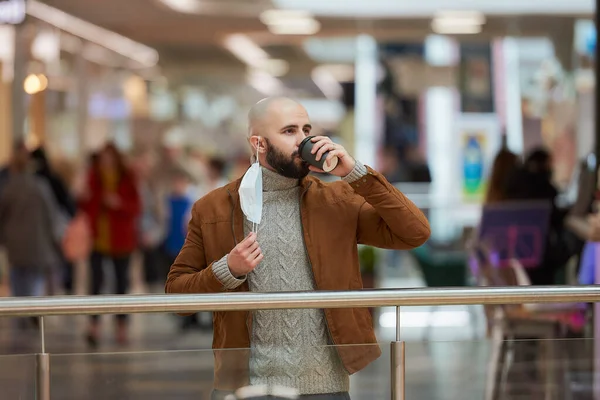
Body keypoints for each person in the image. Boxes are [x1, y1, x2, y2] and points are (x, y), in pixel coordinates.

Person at [166, 97, 431, 399]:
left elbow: (415, 232)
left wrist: (356, 173)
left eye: (306, 129)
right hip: (244, 389)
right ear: (259, 143)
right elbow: (177, 296)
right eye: (290, 131)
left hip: (326, 387)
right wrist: (227, 270)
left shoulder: (336, 201)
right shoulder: (213, 208)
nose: (303, 140)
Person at [80, 143, 141, 347]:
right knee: (95, 283)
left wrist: (119, 203)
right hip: (98, 237)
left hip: (121, 238)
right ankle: (93, 326)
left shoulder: (127, 176)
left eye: (110, 157)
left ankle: (121, 325)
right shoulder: (93, 176)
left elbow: (136, 207)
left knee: (121, 284)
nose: (106, 162)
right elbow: (86, 205)